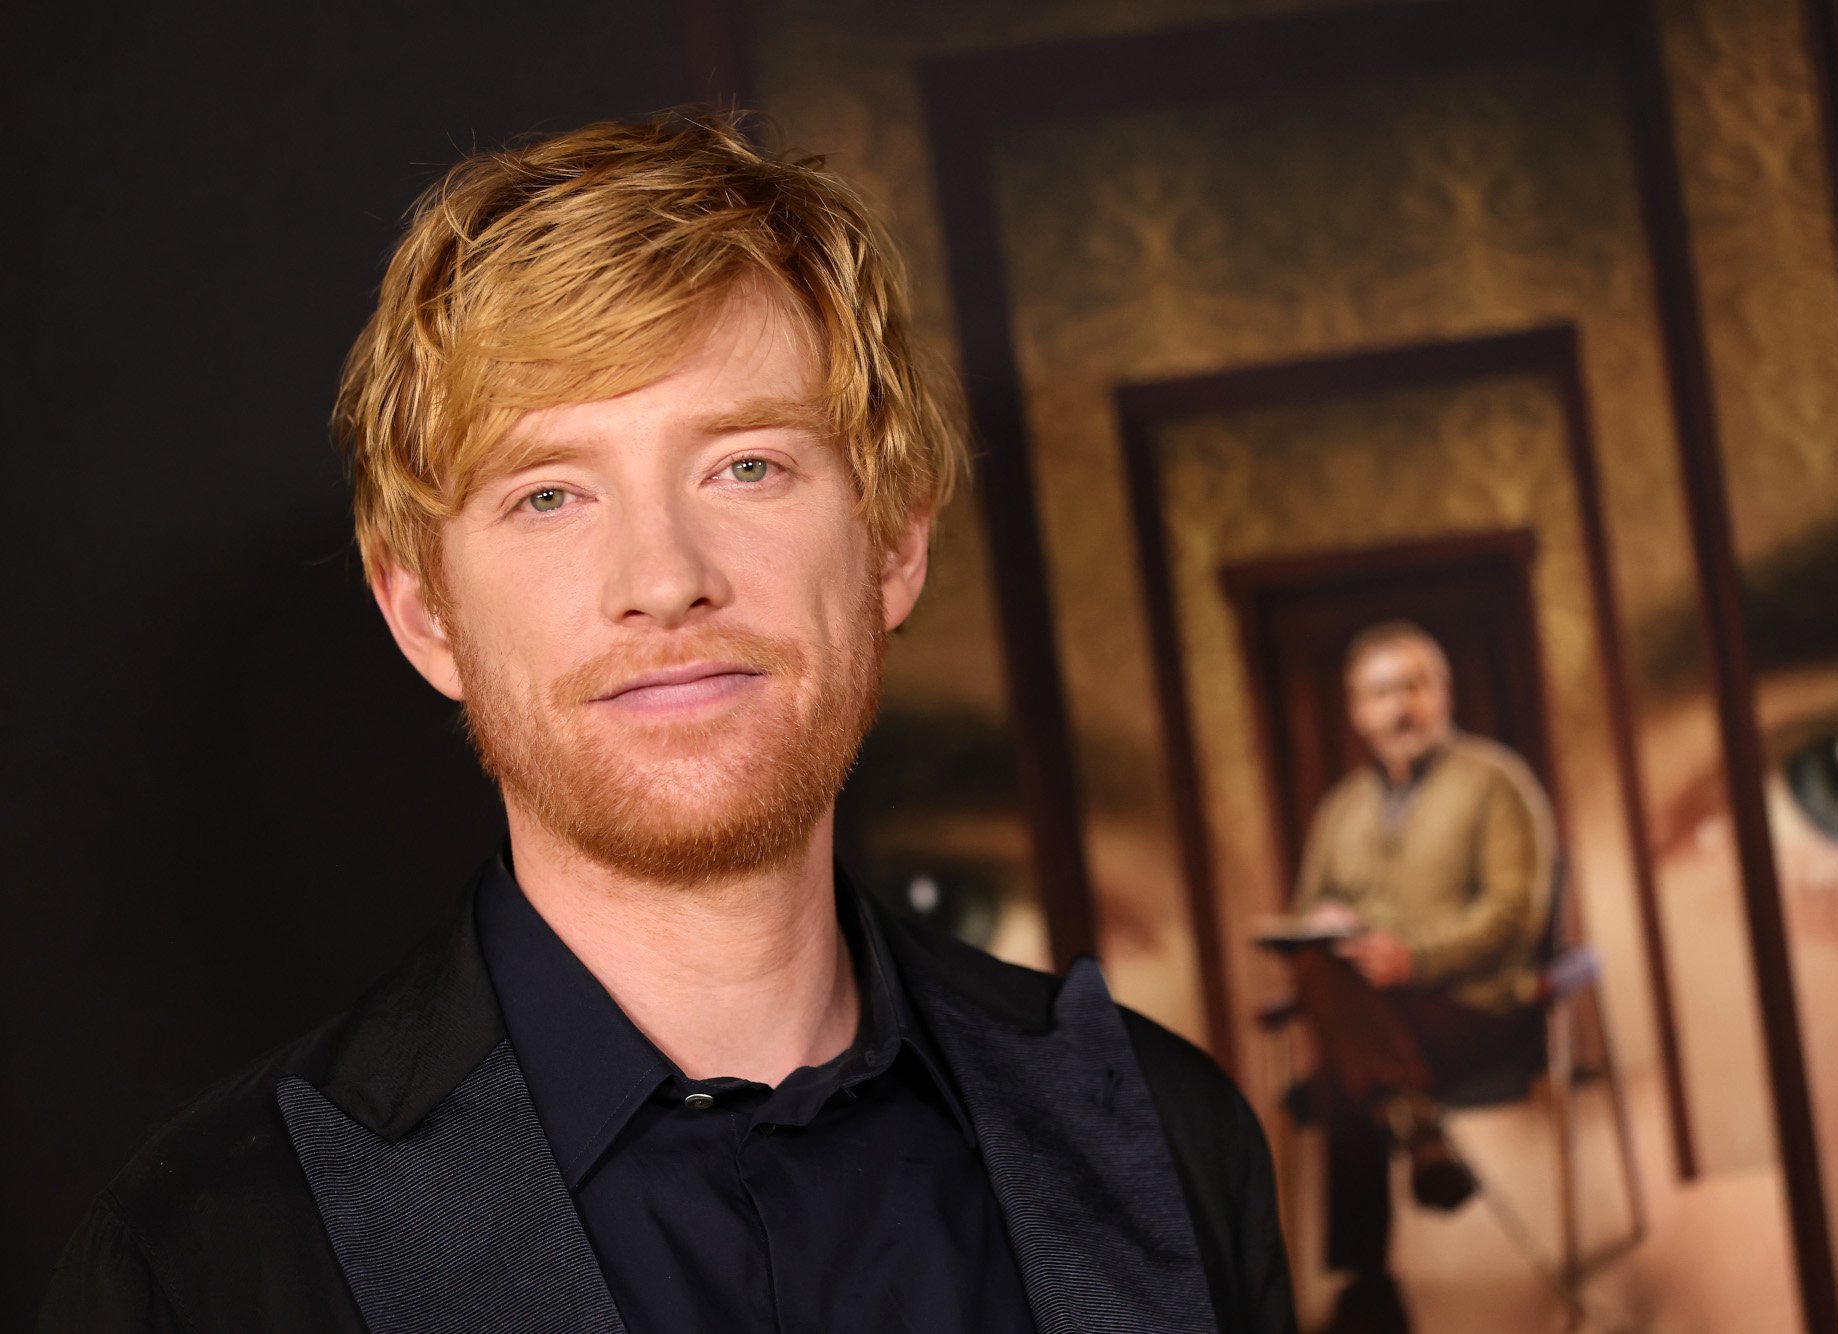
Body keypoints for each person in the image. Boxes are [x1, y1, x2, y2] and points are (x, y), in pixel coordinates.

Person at [38, 111, 1294, 1334]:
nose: (664, 575)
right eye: (548, 493)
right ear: (422, 611)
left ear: (895, 540)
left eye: (744, 464)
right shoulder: (201, 1260)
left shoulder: (1163, 1137)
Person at [1289, 620, 1554, 1331]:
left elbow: (1514, 915)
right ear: (1356, 710)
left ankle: (1367, 1290)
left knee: (1335, 1079)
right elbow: (1304, 918)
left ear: (1443, 693)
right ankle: (1414, 1125)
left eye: (1413, 685)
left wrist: (1415, 957)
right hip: (1381, 1019)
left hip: (1476, 1011)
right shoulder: (1339, 810)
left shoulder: (1498, 783)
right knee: (1320, 965)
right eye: (1381, 692)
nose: (1399, 706)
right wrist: (1332, 922)